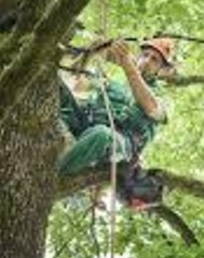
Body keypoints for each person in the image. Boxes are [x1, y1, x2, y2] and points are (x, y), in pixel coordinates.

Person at [57, 38, 174, 179]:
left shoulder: (161, 96)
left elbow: (152, 108)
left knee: (101, 134)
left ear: (160, 70)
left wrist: (128, 66)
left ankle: (52, 177)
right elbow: (78, 83)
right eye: (145, 55)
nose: (147, 60)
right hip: (86, 124)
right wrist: (95, 50)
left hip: (119, 143)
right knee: (59, 87)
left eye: (154, 60)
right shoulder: (114, 84)